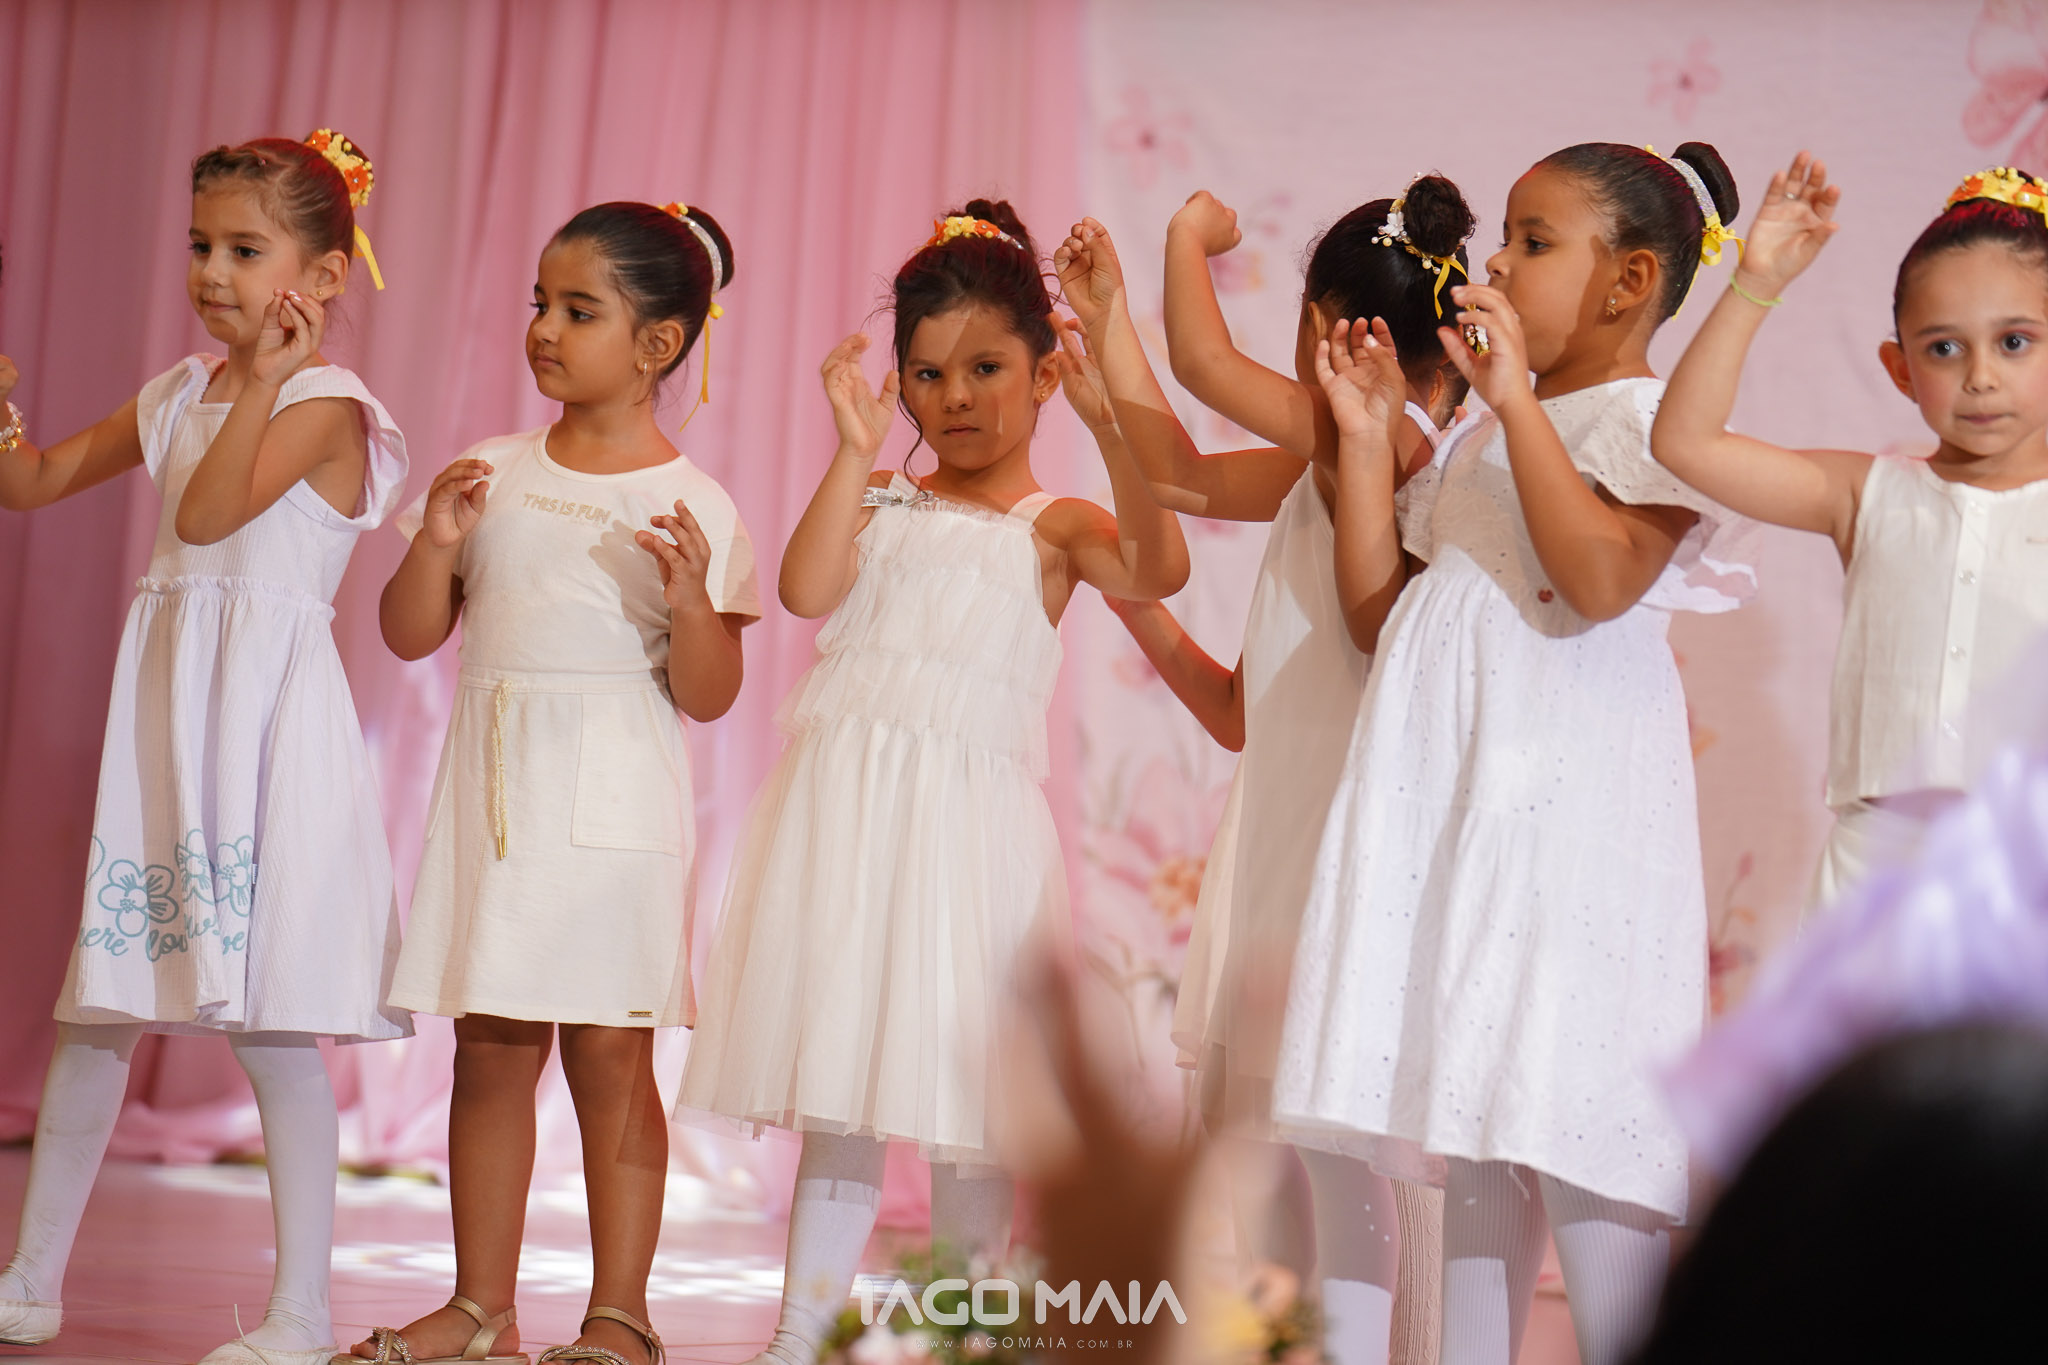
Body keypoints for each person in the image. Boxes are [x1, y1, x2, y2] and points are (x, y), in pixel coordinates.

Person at [678, 199, 1188, 1365]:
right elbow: (805, 591)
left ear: (1044, 374)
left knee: (973, 1111)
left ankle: (966, 1334)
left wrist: (1114, 433)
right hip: (847, 828)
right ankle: (799, 1334)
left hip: (970, 841)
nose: (953, 397)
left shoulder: (1056, 525)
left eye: (984, 369)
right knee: (839, 1086)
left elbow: (1158, 564)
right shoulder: (880, 497)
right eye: (926, 374)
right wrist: (849, 450)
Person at [1273, 142, 1755, 1365]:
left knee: (1578, 1107)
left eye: (1532, 243)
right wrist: (1368, 442)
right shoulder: (1484, 438)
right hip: (1470, 820)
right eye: (1505, 236)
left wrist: (1515, 407)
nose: (1494, 262)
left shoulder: (1645, 424)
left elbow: (1594, 578)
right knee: (1480, 1113)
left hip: (1568, 827)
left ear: (1627, 280)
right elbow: (1384, 619)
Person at [0, 131, 407, 1365]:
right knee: (98, 1009)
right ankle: (28, 1281)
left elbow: (210, 510)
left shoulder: (329, 407)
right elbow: (36, 481)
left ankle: (301, 1314)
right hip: (173, 726)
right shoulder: (180, 391)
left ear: (322, 277)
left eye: (244, 249)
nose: (213, 273)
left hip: (266, 734)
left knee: (272, 1025)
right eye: (200, 245)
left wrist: (268, 381)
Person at [350, 201, 756, 1365]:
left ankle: (620, 1315)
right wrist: (436, 542)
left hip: (616, 810)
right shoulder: (491, 470)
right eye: (541, 303)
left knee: (610, 1059)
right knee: (489, 1047)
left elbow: (710, 692)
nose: (544, 328)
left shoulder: (693, 502)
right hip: (500, 806)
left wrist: (690, 602)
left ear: (659, 344)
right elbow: (406, 634)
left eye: (579, 311)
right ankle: (480, 1309)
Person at [1651, 156, 2048, 909]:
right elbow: (1685, 443)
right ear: (1900, 370)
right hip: (1873, 879)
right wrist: (1756, 282)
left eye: (2015, 341)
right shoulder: (1868, 495)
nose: (1981, 376)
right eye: (1944, 348)